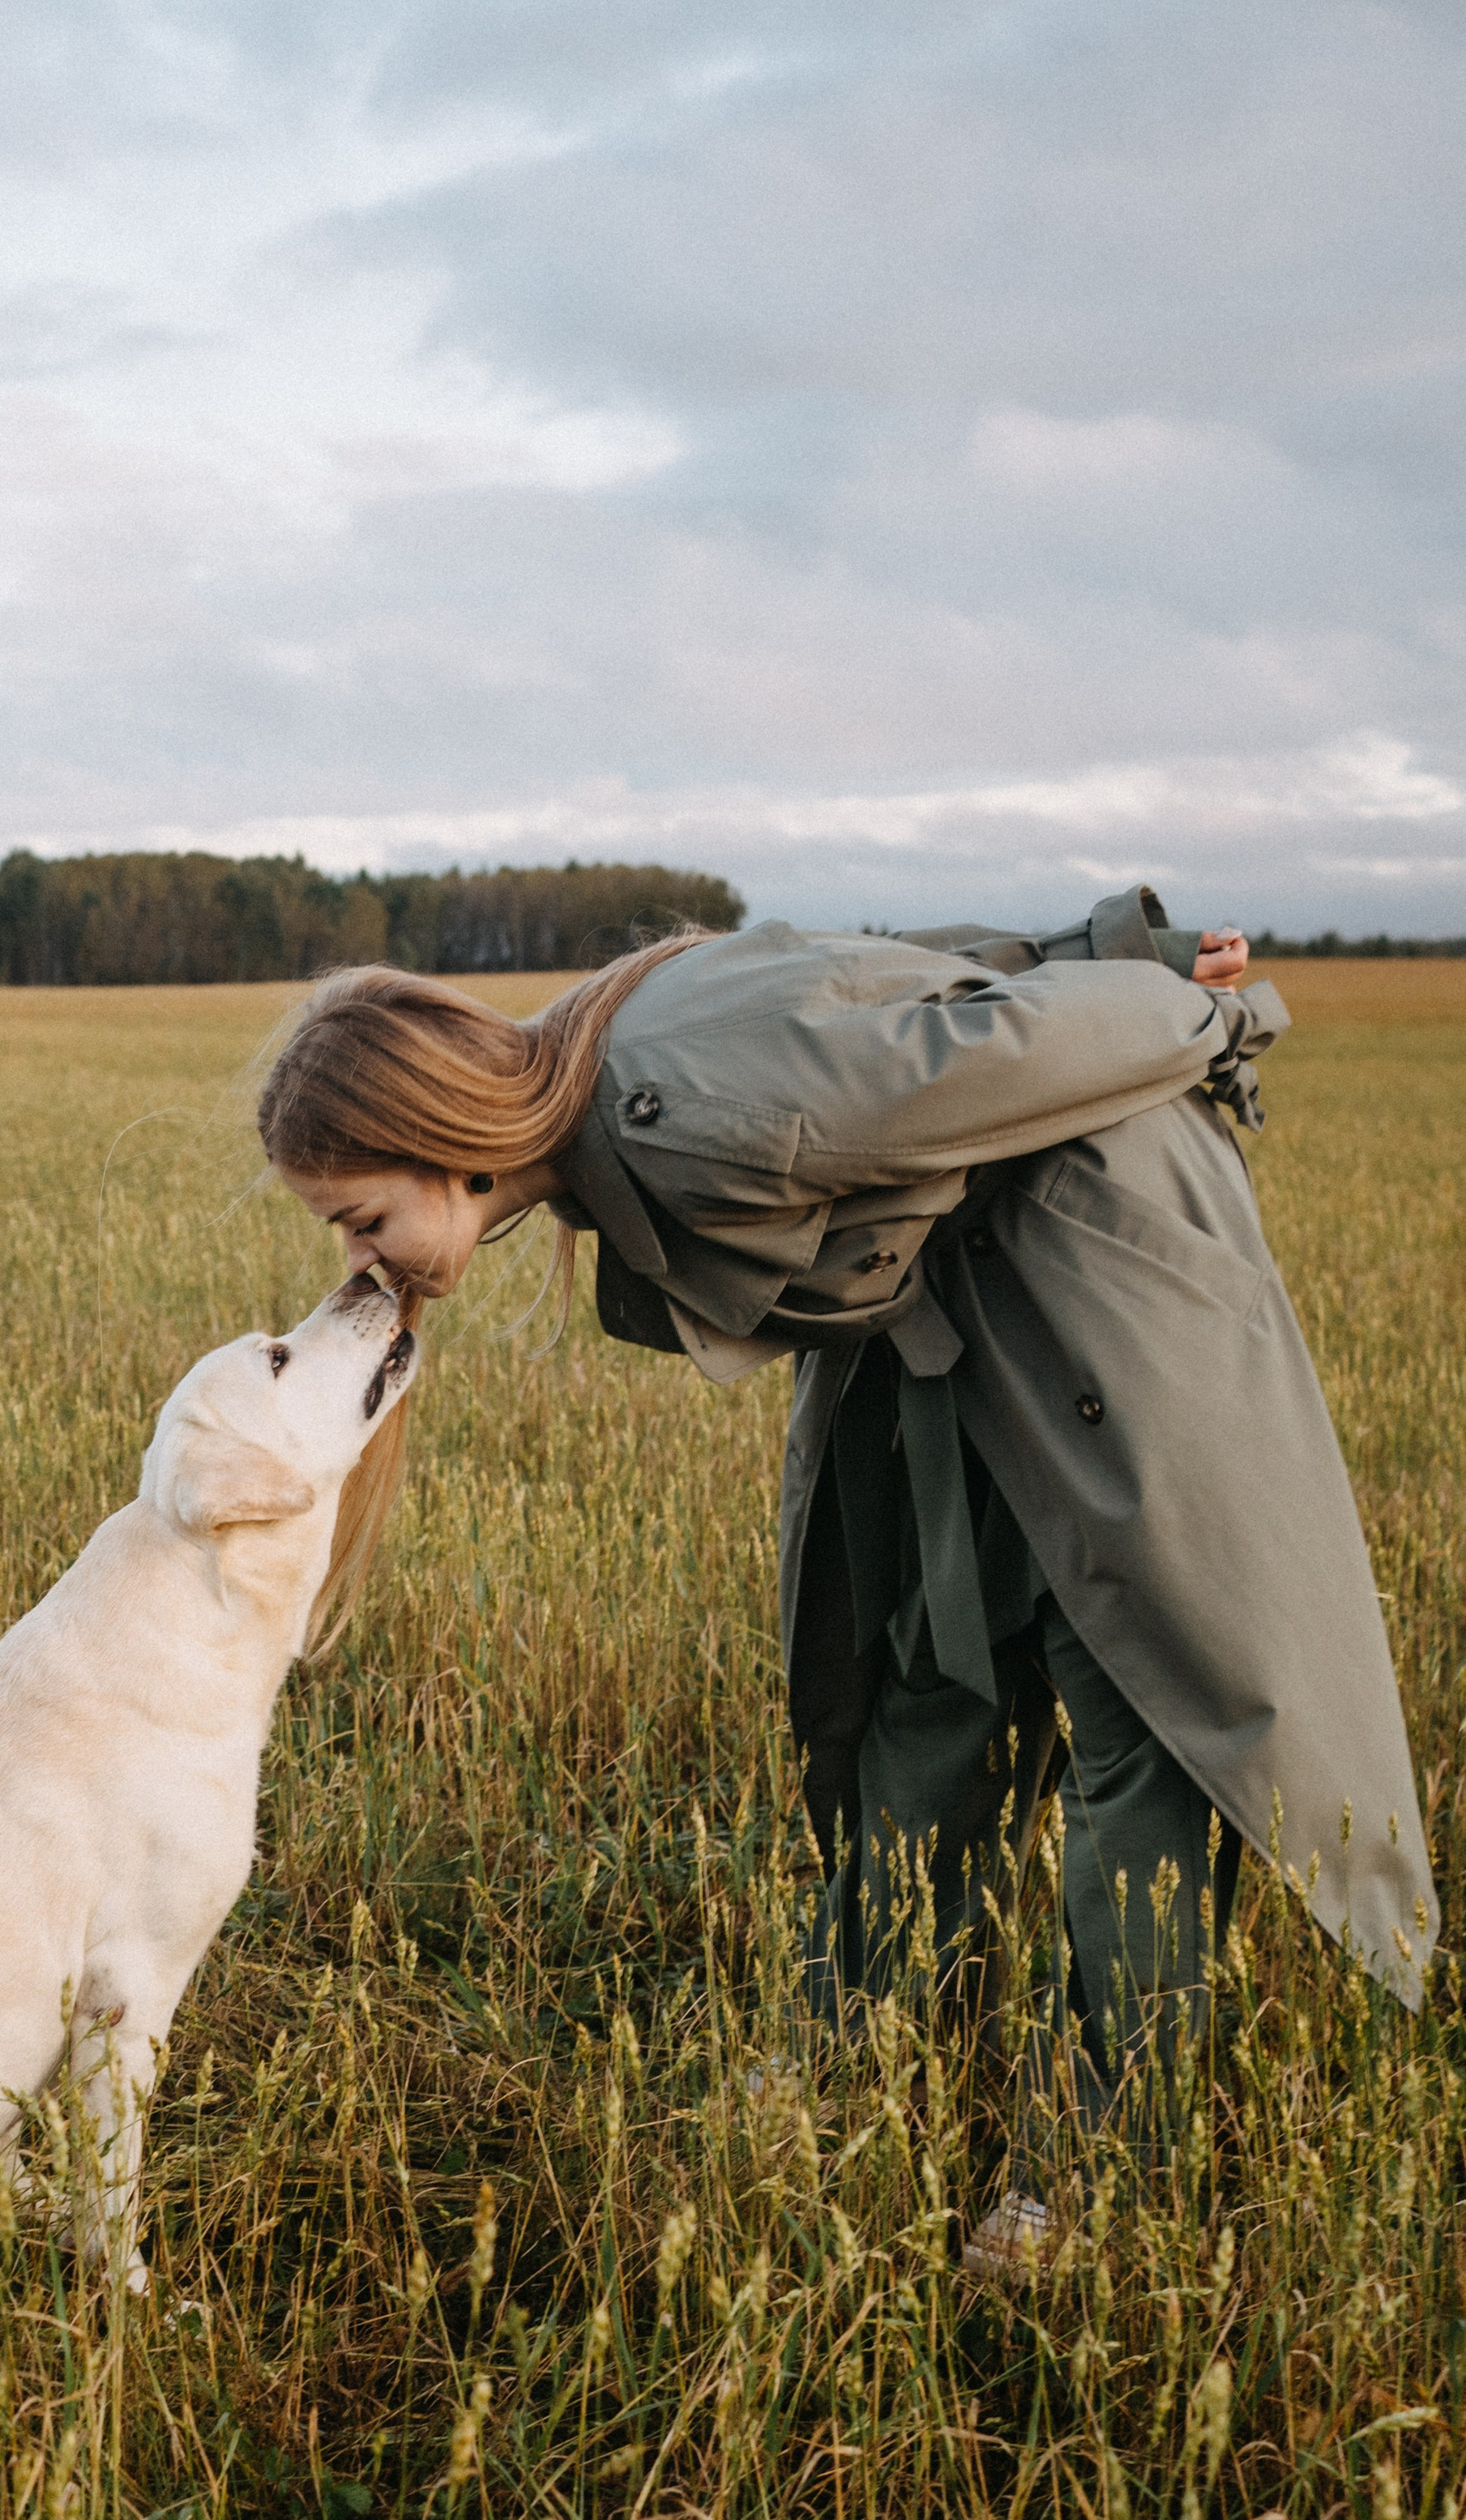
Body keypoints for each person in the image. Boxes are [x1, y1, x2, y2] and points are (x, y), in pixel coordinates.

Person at [257, 889, 1437, 2263]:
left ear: (440, 1141)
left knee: (1147, 1709)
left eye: (360, 1220)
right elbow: (896, 987)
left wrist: (1193, 1009)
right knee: (928, 1670)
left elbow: (990, 1053)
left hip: (1096, 1269)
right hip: (960, 1309)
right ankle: (863, 2044)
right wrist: (1110, 947)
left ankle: (1101, 2167)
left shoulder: (676, 1109)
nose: (358, 1263)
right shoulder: (602, 1084)